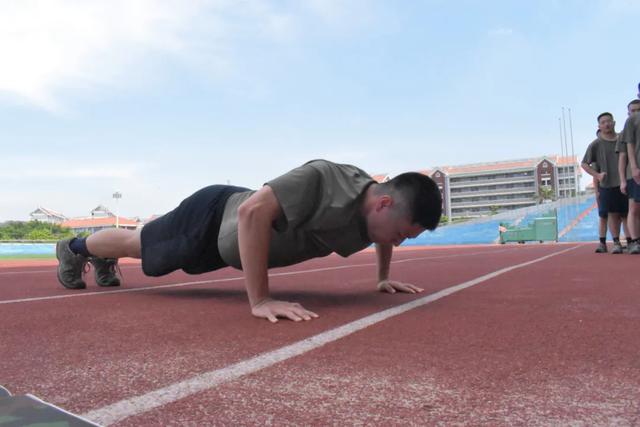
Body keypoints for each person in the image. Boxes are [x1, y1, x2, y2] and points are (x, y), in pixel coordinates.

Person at [55, 159, 442, 322]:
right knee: (140, 246)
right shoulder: (326, 179)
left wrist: (382, 277)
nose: (396, 243)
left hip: (228, 239)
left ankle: (101, 257)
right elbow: (252, 212)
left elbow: (385, 236)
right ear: (383, 204)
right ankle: (74, 249)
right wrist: (260, 300)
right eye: (400, 234)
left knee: (147, 252)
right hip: (213, 216)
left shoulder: (377, 217)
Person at [582, 112, 629, 253]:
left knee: (627, 214)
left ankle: (632, 241)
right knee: (611, 214)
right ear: (599, 126)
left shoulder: (623, 139)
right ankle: (616, 242)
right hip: (607, 185)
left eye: (609, 121)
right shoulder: (595, 144)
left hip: (626, 182)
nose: (607, 124)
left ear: (614, 123)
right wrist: (597, 175)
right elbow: (584, 164)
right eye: (603, 122)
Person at [618, 99, 640, 253]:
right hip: (634, 174)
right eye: (633, 111)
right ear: (628, 113)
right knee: (634, 208)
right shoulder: (627, 129)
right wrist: (623, 180)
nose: (636, 113)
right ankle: (635, 241)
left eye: (639, 110)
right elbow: (622, 157)